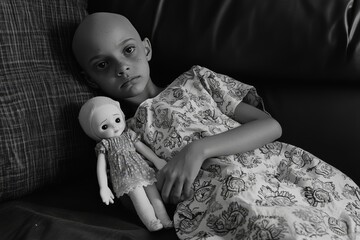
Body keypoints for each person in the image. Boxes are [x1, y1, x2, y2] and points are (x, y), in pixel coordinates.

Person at [73, 12, 360, 240]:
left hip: (270, 172)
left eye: (129, 50)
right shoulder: (125, 136)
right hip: (219, 202)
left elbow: (270, 126)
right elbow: (137, 196)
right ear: (89, 81)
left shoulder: (197, 81)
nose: (121, 67)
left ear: (146, 49)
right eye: (102, 65)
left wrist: (197, 150)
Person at [78, 96, 173, 231]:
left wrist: (157, 160)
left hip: (142, 169)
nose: (115, 127)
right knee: (140, 199)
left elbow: (142, 148)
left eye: (117, 120)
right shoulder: (104, 145)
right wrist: (104, 187)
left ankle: (165, 219)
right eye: (104, 126)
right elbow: (101, 167)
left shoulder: (129, 135)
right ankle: (151, 222)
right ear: (92, 131)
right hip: (124, 176)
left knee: (154, 195)